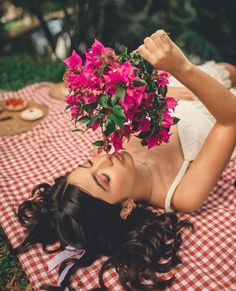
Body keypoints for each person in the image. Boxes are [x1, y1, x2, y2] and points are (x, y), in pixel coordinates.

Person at [14, 30, 236, 290]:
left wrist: (164, 81)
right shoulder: (184, 194)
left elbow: (132, 86)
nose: (103, 159)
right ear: (126, 208)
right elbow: (229, 120)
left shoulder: (113, 136)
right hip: (218, 97)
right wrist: (183, 68)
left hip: (202, 79)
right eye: (103, 178)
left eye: (89, 164)